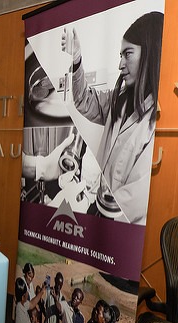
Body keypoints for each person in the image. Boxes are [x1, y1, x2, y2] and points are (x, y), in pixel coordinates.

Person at [61, 12, 164, 224]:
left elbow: (135, 199)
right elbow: (84, 100)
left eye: (128, 54)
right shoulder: (119, 100)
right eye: (120, 55)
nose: (120, 64)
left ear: (151, 54)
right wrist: (77, 58)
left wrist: (94, 211)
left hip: (120, 227)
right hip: (101, 215)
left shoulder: (157, 120)